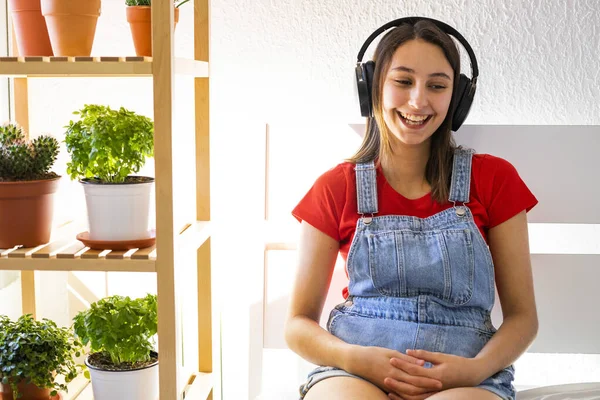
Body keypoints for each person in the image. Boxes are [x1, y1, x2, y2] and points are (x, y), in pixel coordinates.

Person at [285, 17, 539, 400]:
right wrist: (357, 360)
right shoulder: (336, 187)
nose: (418, 101)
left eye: (437, 86)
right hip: (355, 371)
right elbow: (298, 324)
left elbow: (523, 318)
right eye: (403, 81)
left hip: (465, 374)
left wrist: (472, 370)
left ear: (457, 99)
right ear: (372, 87)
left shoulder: (494, 179)